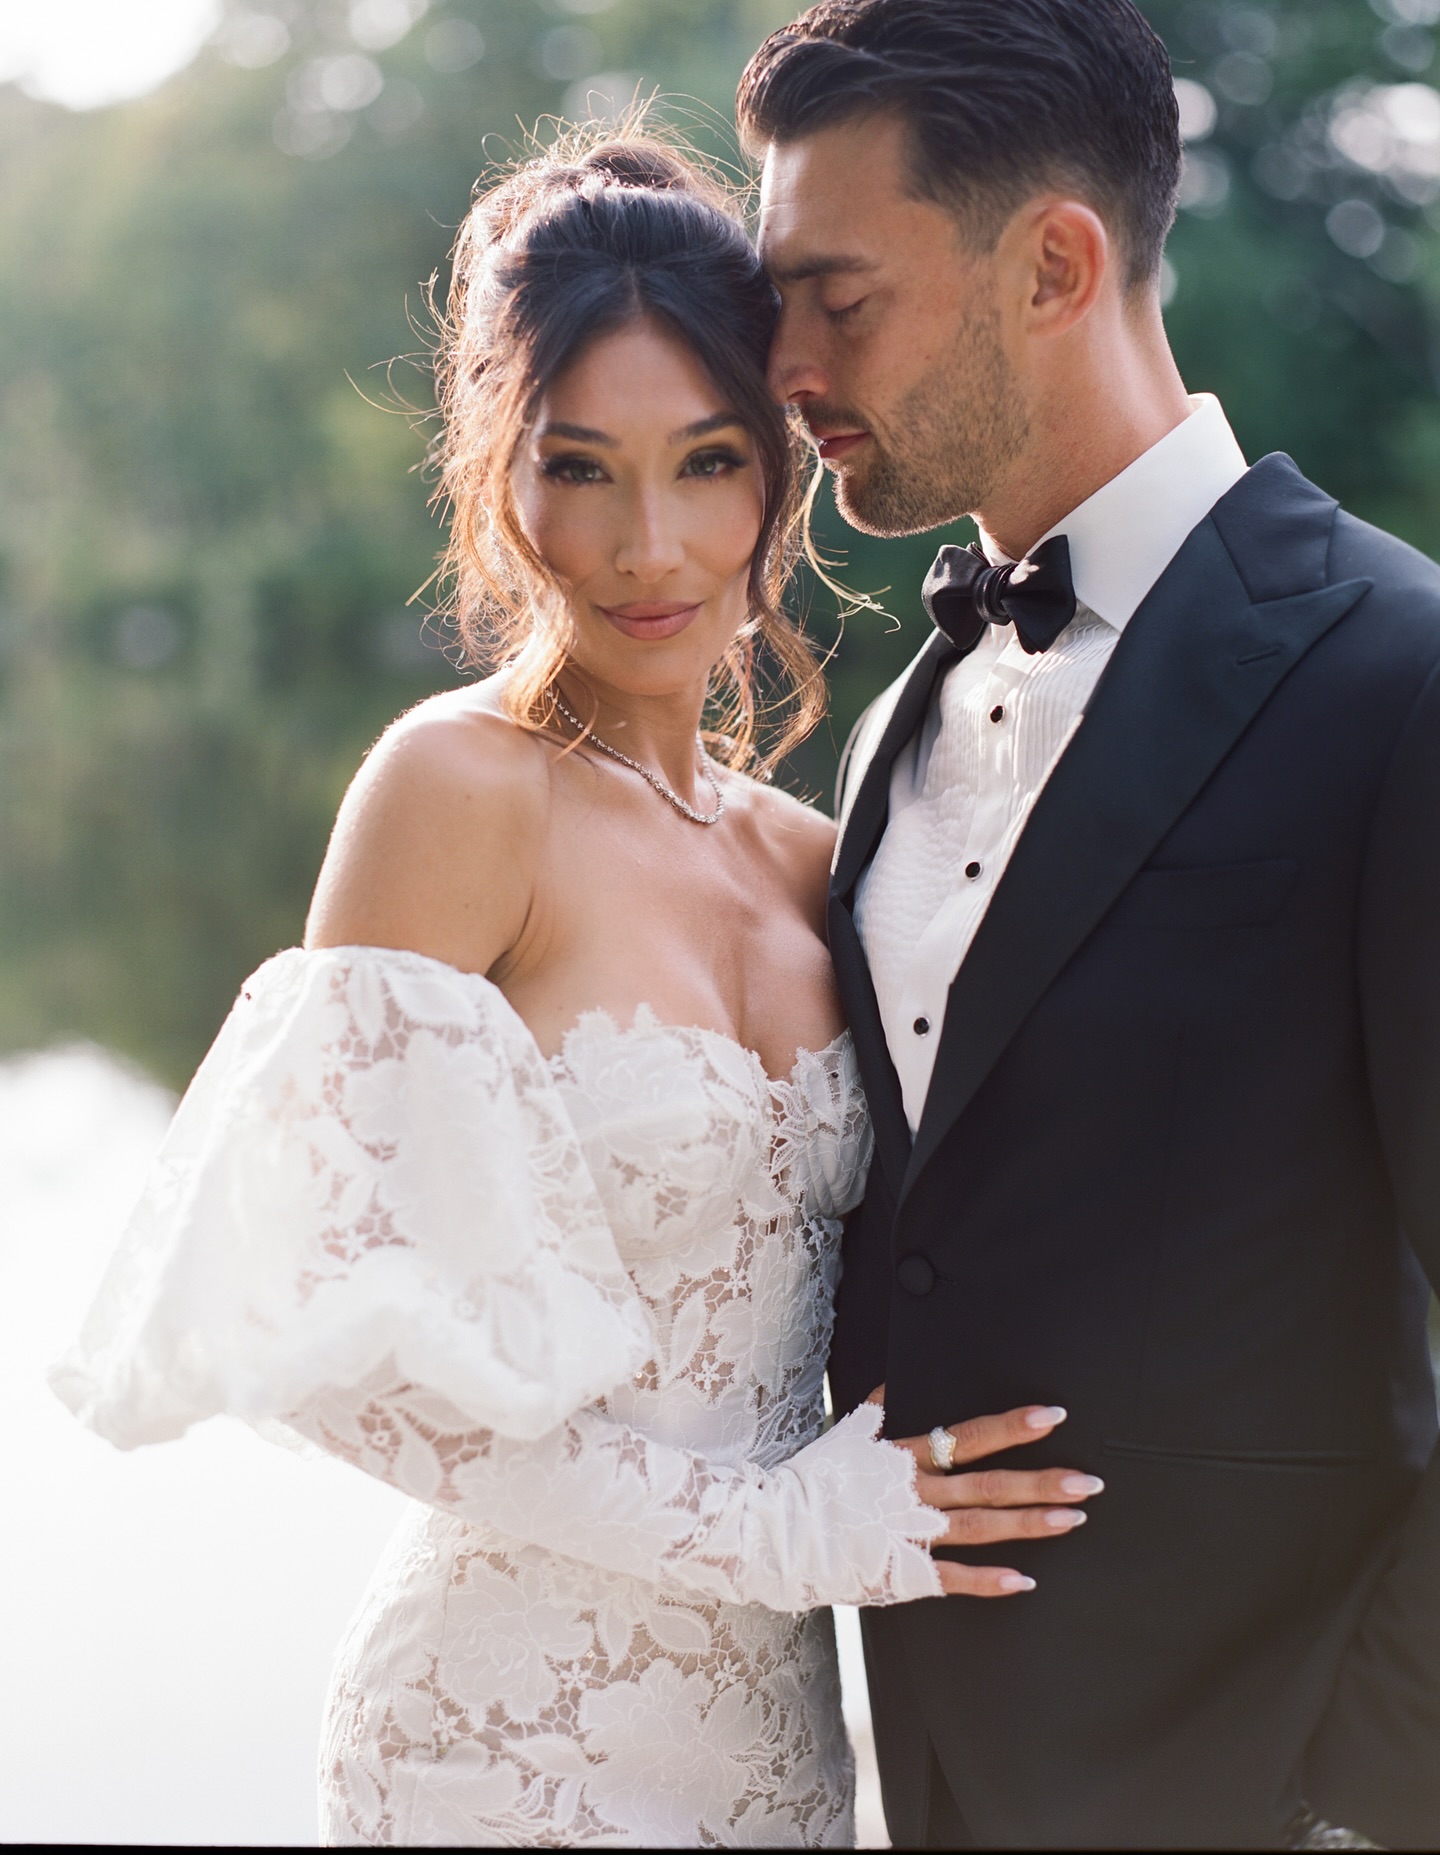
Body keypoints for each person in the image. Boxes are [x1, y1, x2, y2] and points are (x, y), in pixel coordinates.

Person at [51, 135, 1103, 1848]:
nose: (646, 544)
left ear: (780, 462)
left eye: (703, 462)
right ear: (498, 476)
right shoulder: (456, 793)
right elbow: (354, 1374)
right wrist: (774, 1534)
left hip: (782, 1740)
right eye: (581, 468)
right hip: (502, 1742)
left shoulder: (809, 851)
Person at [738, 0, 1440, 1848]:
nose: (780, 363)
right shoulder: (900, 717)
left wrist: (1364, 1799)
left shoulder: (1403, 676)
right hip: (930, 1773)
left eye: (839, 297)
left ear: (1052, 263)